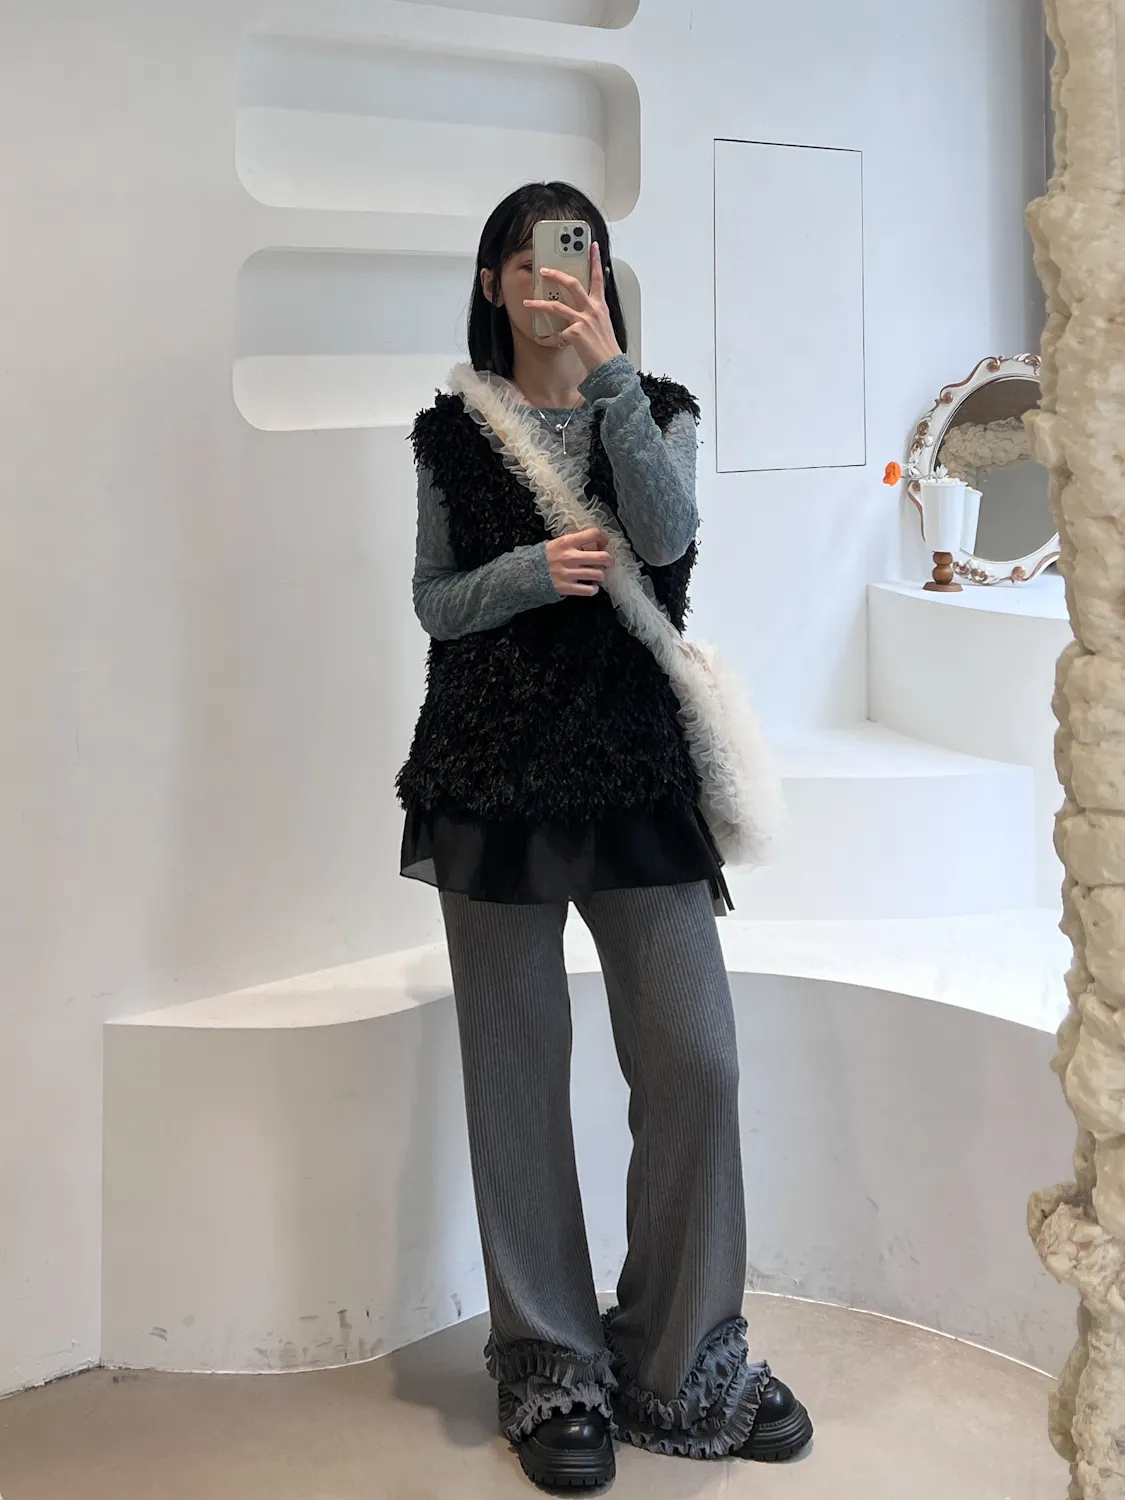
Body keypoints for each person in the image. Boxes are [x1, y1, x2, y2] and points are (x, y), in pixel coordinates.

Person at [397, 181, 812, 1491]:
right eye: (528, 262)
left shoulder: (657, 407)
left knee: (696, 1060)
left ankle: (681, 1358)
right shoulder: (451, 433)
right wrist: (531, 575)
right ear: (492, 282)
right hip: (490, 775)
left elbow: (670, 539)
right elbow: (434, 602)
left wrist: (610, 373)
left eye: (575, 260)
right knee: (516, 1077)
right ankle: (551, 1365)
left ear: (603, 276)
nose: (552, 282)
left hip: (632, 771)